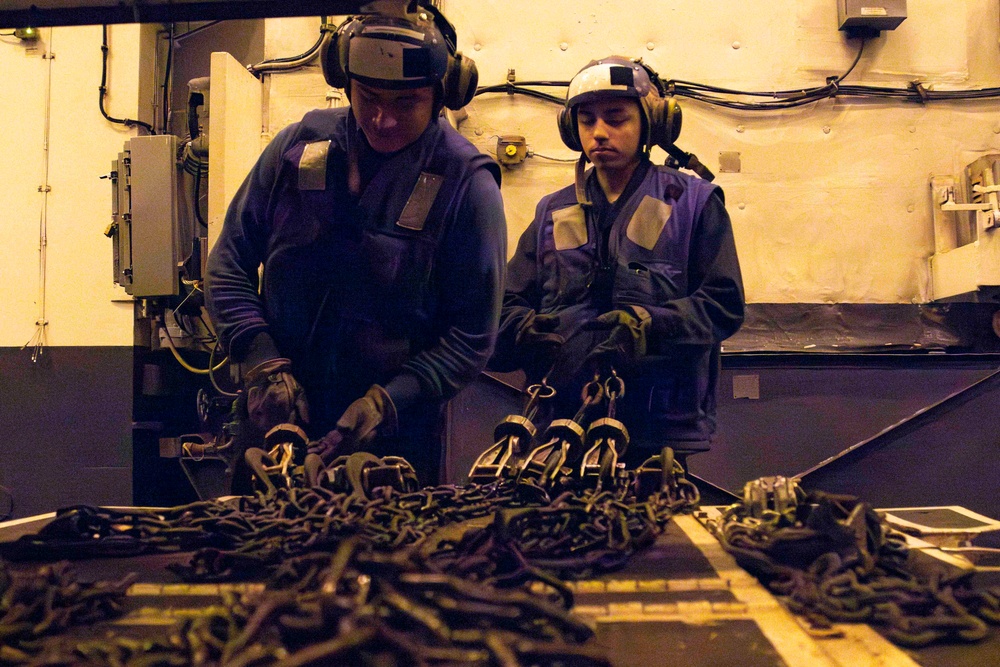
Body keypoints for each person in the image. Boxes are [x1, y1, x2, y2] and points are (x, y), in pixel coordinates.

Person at [205, 5, 506, 487]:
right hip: (273, 416)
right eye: (368, 97)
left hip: (390, 442)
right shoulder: (296, 148)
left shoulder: (467, 185)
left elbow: (471, 335)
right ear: (344, 81)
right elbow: (228, 263)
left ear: (442, 94)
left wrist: (387, 403)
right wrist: (260, 358)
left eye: (406, 102)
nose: (383, 119)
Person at [490, 56, 744, 469]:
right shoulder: (552, 212)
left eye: (616, 118)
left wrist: (650, 325)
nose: (599, 132)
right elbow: (505, 303)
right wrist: (523, 329)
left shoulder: (693, 204)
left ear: (651, 124)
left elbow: (723, 304)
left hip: (656, 427)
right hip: (559, 422)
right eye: (586, 120)